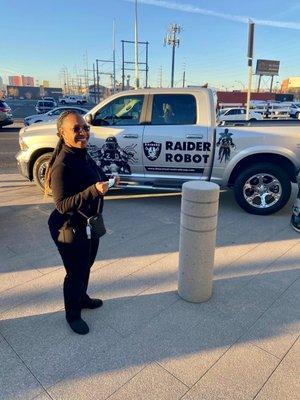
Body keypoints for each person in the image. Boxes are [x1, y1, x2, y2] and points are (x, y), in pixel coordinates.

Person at [45, 110, 111, 335]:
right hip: (68, 227)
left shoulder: (82, 153)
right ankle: (72, 315)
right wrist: (94, 190)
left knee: (87, 265)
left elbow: (95, 176)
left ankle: (82, 298)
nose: (83, 132)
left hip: (89, 223)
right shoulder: (62, 164)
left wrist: (107, 181)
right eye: (76, 129)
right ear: (62, 134)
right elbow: (62, 204)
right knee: (75, 272)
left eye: (85, 128)